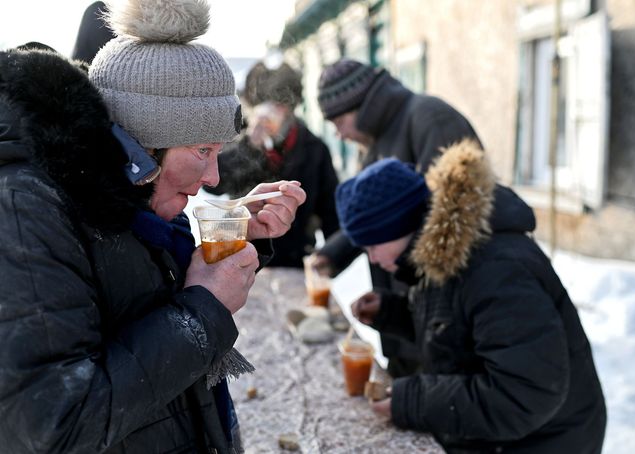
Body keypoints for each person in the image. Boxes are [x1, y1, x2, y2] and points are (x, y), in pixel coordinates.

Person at [0, 1, 305, 453]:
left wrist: (238, 233)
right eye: (203, 150)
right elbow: (53, 426)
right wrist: (204, 310)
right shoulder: (25, 212)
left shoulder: (130, 190)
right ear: (145, 142)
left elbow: (141, 291)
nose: (214, 178)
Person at [334, 140, 607, 453]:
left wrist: (416, 401)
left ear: (399, 227)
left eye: (373, 246)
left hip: (548, 441)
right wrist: (392, 312)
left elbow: (523, 394)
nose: (371, 258)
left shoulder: (497, 271)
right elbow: (459, 328)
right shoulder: (441, 251)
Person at [314, 58, 482, 376]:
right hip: (407, 322)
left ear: (358, 108)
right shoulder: (377, 140)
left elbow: (450, 220)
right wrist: (332, 255)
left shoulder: (430, 119)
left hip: (440, 322)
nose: (339, 135)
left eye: (338, 123)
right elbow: (373, 220)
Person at [205, 61, 339, 268]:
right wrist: (250, 144)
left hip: (294, 262)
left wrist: (330, 258)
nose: (271, 114)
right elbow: (213, 185)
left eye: (279, 105)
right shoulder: (236, 140)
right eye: (264, 105)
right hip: (240, 259)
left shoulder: (313, 148)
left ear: (291, 108)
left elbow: (331, 213)